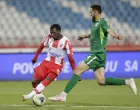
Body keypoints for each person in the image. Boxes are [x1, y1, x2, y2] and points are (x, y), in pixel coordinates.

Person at [48, 4, 137, 102]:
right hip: (99, 54)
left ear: (96, 12)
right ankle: (127, 81)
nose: (90, 14)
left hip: (96, 54)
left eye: (91, 12)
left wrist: (116, 35)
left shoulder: (102, 22)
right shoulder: (95, 24)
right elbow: (93, 35)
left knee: (77, 70)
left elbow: (109, 30)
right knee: (101, 81)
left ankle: (63, 95)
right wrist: (84, 36)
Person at [22, 24, 77, 101]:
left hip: (57, 66)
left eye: (53, 32)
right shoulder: (49, 37)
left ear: (59, 32)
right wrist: (35, 57)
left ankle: (29, 96)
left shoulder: (66, 42)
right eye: (51, 32)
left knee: (47, 80)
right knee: (34, 81)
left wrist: (75, 71)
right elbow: (41, 46)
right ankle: (40, 97)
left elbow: (71, 59)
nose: (52, 34)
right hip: (46, 62)